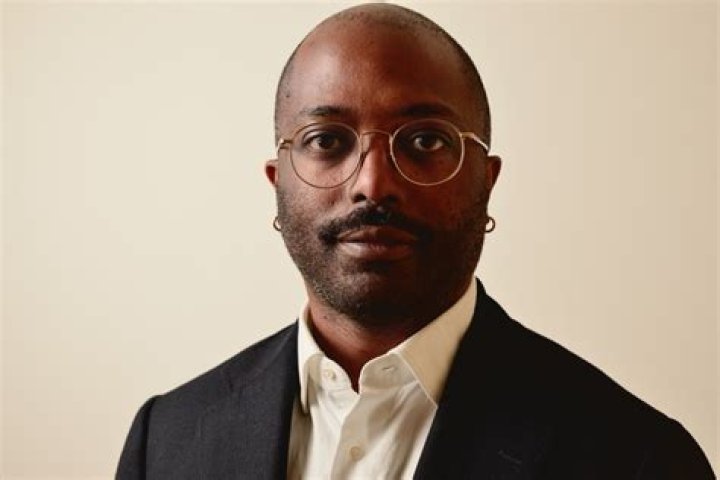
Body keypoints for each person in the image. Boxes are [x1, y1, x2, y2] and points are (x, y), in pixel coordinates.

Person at [116, 3, 715, 479]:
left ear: (486, 181)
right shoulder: (166, 440)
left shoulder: (637, 458)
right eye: (327, 141)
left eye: (425, 141)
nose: (373, 183)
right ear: (278, 182)